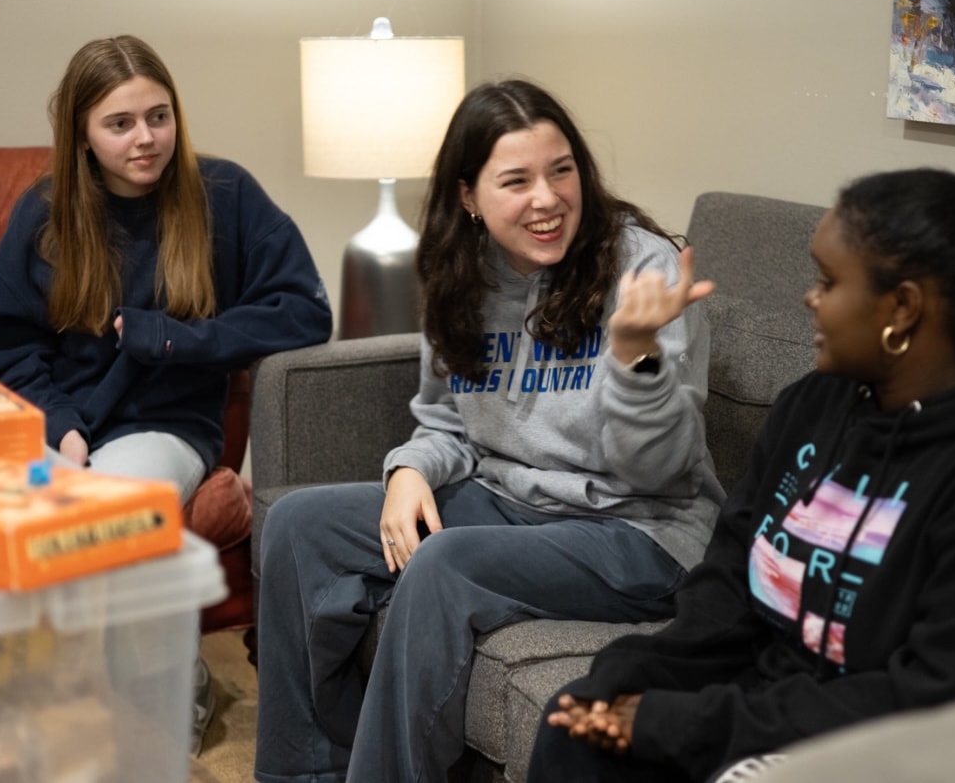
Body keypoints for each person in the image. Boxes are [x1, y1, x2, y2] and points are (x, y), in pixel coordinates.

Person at [528, 168, 955, 783]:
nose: (810, 298)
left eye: (828, 281)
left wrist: (695, 723)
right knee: (574, 728)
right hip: (797, 716)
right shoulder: (815, 406)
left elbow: (934, 704)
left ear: (902, 308)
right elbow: (727, 588)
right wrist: (631, 676)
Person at [253, 78, 727, 782]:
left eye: (562, 170)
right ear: (469, 197)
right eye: (517, 180)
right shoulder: (460, 273)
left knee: (444, 565)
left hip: (640, 531)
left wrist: (635, 358)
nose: (547, 198)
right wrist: (411, 468)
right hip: (508, 503)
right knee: (299, 526)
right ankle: (300, 773)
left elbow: (658, 472)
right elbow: (447, 418)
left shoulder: (641, 270)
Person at [0, 34, 332, 753]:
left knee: (111, 518)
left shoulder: (224, 194)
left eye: (158, 117)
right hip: (57, 420)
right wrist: (59, 426)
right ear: (82, 135)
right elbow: (1, 350)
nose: (145, 139)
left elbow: (303, 310)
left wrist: (175, 339)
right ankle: (23, 713)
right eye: (120, 124)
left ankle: (168, 702)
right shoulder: (46, 213)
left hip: (164, 421)